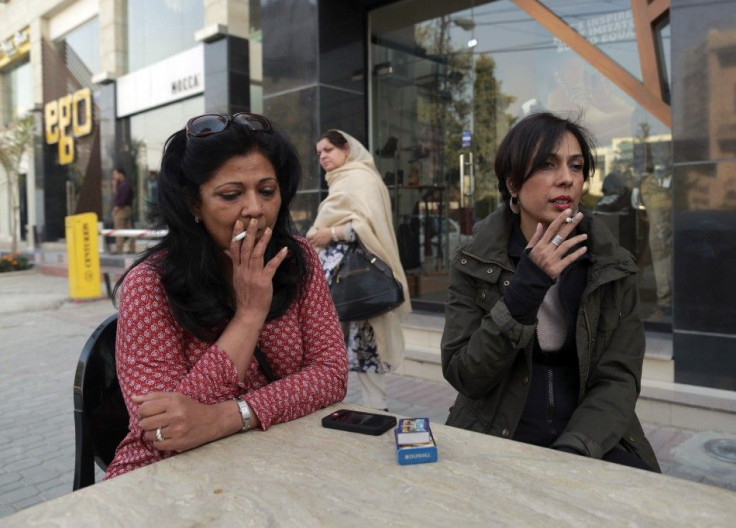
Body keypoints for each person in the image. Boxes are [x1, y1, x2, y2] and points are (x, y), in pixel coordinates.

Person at [105, 113, 349, 478]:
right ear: (193, 204)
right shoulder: (149, 285)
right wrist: (249, 316)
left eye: (267, 191)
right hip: (162, 479)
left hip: (276, 465)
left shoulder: (296, 260)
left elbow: (331, 374)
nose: (255, 208)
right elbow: (163, 430)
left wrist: (227, 416)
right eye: (231, 195)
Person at [441, 112, 660, 472]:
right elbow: (465, 373)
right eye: (547, 164)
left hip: (591, 438)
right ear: (513, 183)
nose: (566, 179)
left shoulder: (611, 265)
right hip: (496, 431)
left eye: (576, 167)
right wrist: (527, 287)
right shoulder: (474, 261)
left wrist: (574, 450)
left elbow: (618, 378)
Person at [306, 130, 410, 411]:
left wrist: (332, 232)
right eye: (319, 153)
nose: (323, 156)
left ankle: (377, 409)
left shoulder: (362, 179)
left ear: (347, 150)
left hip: (358, 279)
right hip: (334, 281)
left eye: (328, 149)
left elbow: (369, 228)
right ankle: (320, 403)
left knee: (367, 345)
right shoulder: (339, 182)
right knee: (326, 345)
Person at [111, 167, 136, 254]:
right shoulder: (122, 184)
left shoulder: (125, 184)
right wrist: (114, 186)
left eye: (115, 174)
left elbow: (121, 199)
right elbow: (117, 196)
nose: (114, 176)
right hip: (126, 208)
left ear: (120, 174)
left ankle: (119, 249)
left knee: (119, 228)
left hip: (122, 208)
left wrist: (116, 208)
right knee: (129, 228)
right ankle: (131, 248)